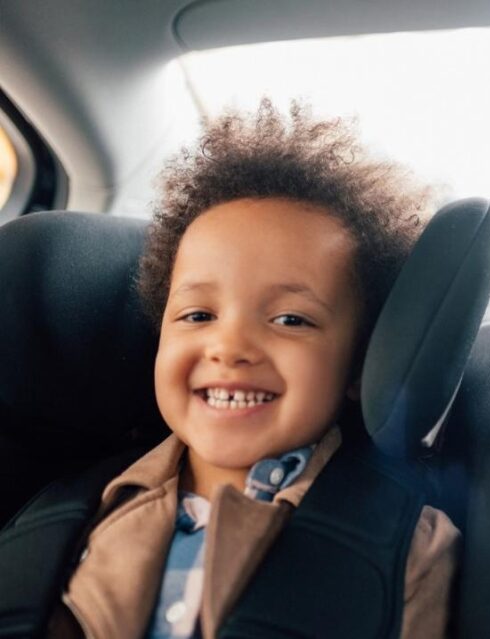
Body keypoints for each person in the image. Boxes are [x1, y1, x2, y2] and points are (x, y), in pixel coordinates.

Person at [48, 101, 459, 638]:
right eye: (198, 315)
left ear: (362, 362)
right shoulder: (71, 515)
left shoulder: (406, 545)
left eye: (291, 319)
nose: (230, 345)